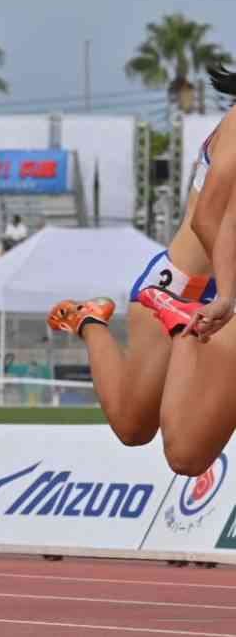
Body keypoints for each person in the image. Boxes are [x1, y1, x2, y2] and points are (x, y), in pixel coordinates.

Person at [126, 65, 236, 475]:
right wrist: (228, 294)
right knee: (175, 450)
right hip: (187, 285)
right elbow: (210, 219)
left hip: (215, 288)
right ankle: (174, 325)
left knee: (137, 429)